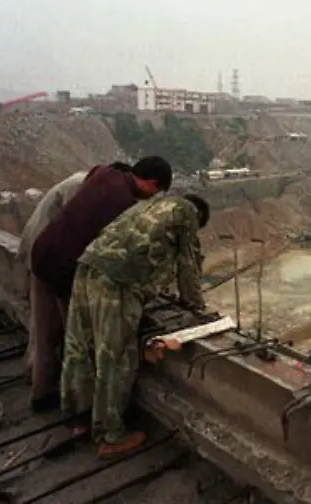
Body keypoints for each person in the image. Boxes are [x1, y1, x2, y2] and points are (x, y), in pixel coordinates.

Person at [60, 194, 209, 458]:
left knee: (80, 343)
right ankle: (110, 435)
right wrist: (195, 306)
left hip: (88, 265)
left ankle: (77, 416)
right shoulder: (187, 212)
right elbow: (188, 264)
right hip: (119, 281)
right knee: (115, 357)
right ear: (198, 218)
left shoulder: (151, 204)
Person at [28, 157, 172, 412]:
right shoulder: (124, 207)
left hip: (42, 254)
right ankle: (79, 411)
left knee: (43, 332)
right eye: (155, 192)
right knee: (77, 341)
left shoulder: (106, 173)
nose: (151, 198)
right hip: (65, 270)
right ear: (151, 183)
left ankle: (40, 395)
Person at [17, 163, 130, 411]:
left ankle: (40, 385)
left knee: (44, 326)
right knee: (61, 330)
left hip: (41, 251)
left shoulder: (86, 184)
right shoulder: (82, 188)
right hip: (51, 258)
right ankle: (68, 400)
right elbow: (78, 232)